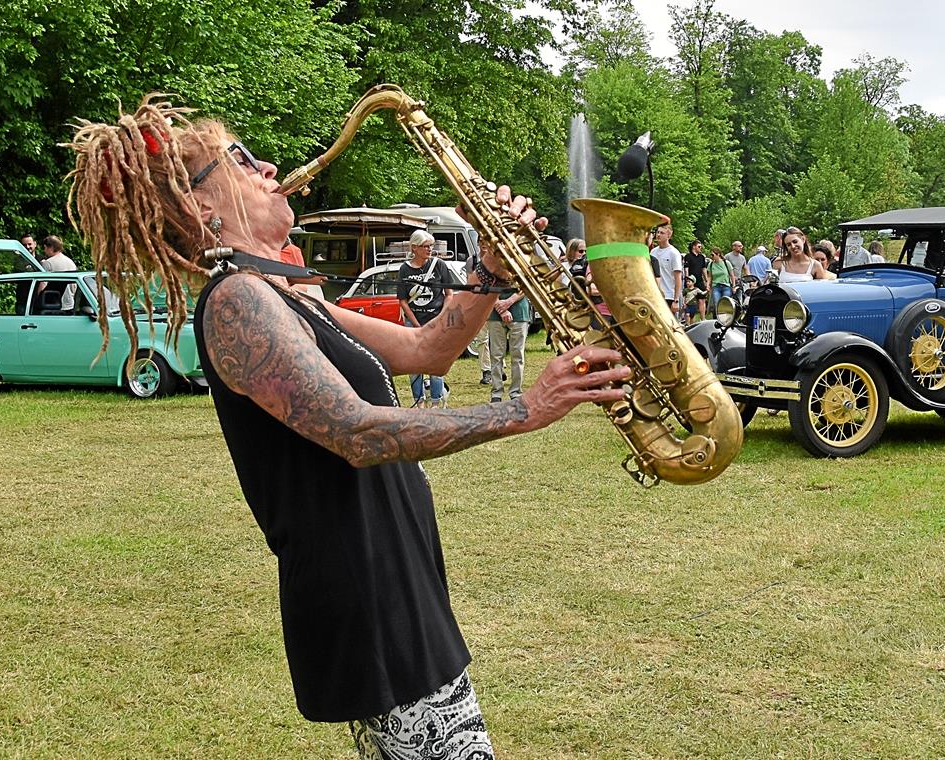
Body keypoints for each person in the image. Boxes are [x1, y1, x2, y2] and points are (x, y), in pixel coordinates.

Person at [64, 95, 629, 759]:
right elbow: (356, 433)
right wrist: (527, 408)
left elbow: (429, 352)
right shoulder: (237, 302)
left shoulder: (287, 293)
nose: (270, 164)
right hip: (367, 592)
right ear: (200, 208)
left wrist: (487, 272)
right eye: (242, 161)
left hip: (392, 574)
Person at [397, 229, 455, 408]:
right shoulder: (404, 269)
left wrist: (441, 316)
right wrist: (414, 323)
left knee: (436, 363)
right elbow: (403, 300)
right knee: (414, 364)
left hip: (436, 320)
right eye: (425, 246)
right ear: (414, 248)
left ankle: (436, 402)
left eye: (431, 246)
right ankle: (419, 401)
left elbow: (449, 294)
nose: (429, 249)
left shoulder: (439, 265)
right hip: (413, 322)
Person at [486, 245, 531, 402]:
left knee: (517, 355)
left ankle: (516, 392)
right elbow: (487, 286)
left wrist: (508, 302)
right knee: (496, 354)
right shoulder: (490, 262)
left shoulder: (523, 260)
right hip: (495, 310)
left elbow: (527, 285)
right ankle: (496, 393)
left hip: (519, 312)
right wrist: (501, 307)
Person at [464, 247, 493, 384]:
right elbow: (470, 283)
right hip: (479, 304)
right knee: (482, 339)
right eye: (481, 242)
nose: (484, 245)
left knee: (497, 338)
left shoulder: (497, 260)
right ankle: (486, 370)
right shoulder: (472, 261)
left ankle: (499, 367)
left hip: (495, 302)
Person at [650, 224, 683, 314]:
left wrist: (676, 300)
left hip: (668, 295)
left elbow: (678, 278)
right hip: (654, 294)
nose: (658, 235)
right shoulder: (653, 252)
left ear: (669, 235)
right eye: (657, 232)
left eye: (662, 233)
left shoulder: (674, 253)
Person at [40, 234, 78, 310]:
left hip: (52, 305)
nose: (44, 251)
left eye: (45, 248)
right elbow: (74, 286)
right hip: (70, 304)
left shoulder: (48, 263)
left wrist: (38, 302)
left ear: (50, 247)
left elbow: (42, 284)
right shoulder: (70, 262)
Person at [682, 239, 708, 321]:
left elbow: (704, 269)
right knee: (689, 302)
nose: (700, 248)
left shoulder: (702, 257)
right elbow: (686, 269)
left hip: (699, 280)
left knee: (702, 300)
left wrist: (706, 280)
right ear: (694, 247)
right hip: (691, 281)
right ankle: (688, 320)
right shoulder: (688, 256)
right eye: (699, 246)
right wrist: (687, 280)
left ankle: (703, 318)